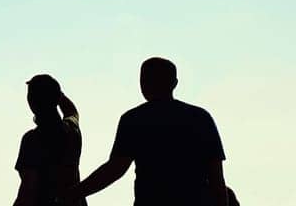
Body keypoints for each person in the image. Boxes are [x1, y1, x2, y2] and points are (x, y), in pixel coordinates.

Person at [70, 58, 228, 206]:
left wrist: (74, 193)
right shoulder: (200, 117)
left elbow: (115, 169)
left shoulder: (134, 119)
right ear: (175, 83)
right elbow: (217, 179)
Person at [13, 74, 84, 206]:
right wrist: (58, 95)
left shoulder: (32, 140)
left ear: (31, 102)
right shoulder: (72, 130)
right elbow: (71, 110)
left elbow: (28, 191)